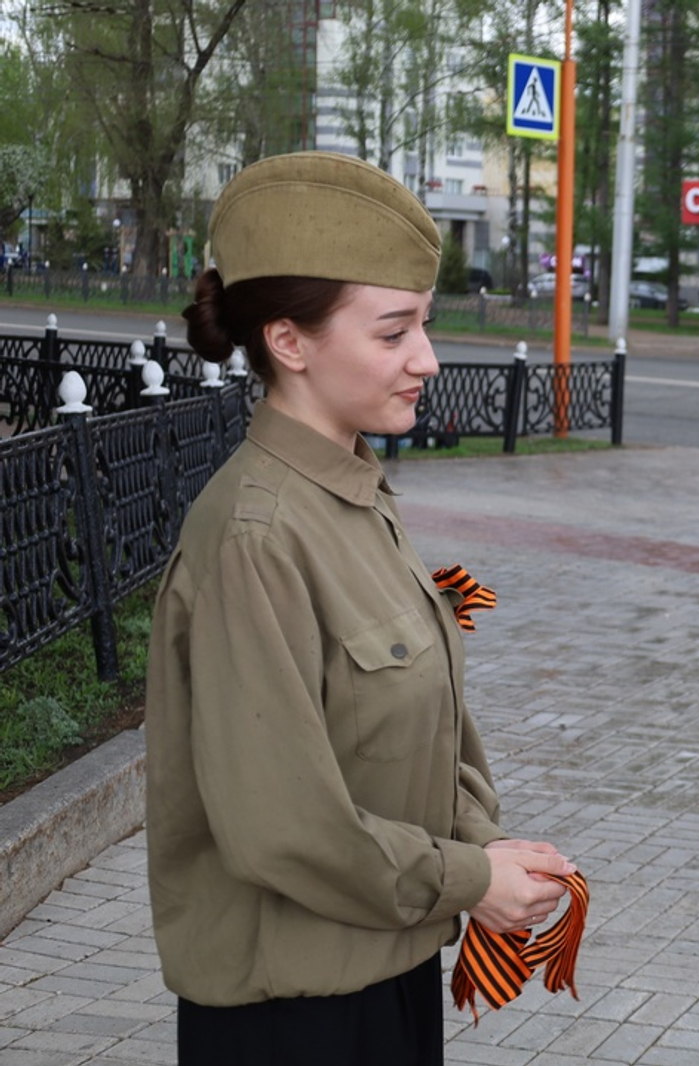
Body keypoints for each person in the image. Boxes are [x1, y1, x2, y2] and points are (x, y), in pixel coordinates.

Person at [144, 151, 574, 1066]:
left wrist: (490, 848)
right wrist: (469, 879)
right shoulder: (256, 537)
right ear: (289, 342)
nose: (425, 357)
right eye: (392, 333)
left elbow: (421, 731)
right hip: (290, 1016)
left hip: (386, 970)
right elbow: (282, 828)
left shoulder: (350, 497)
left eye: (422, 324)